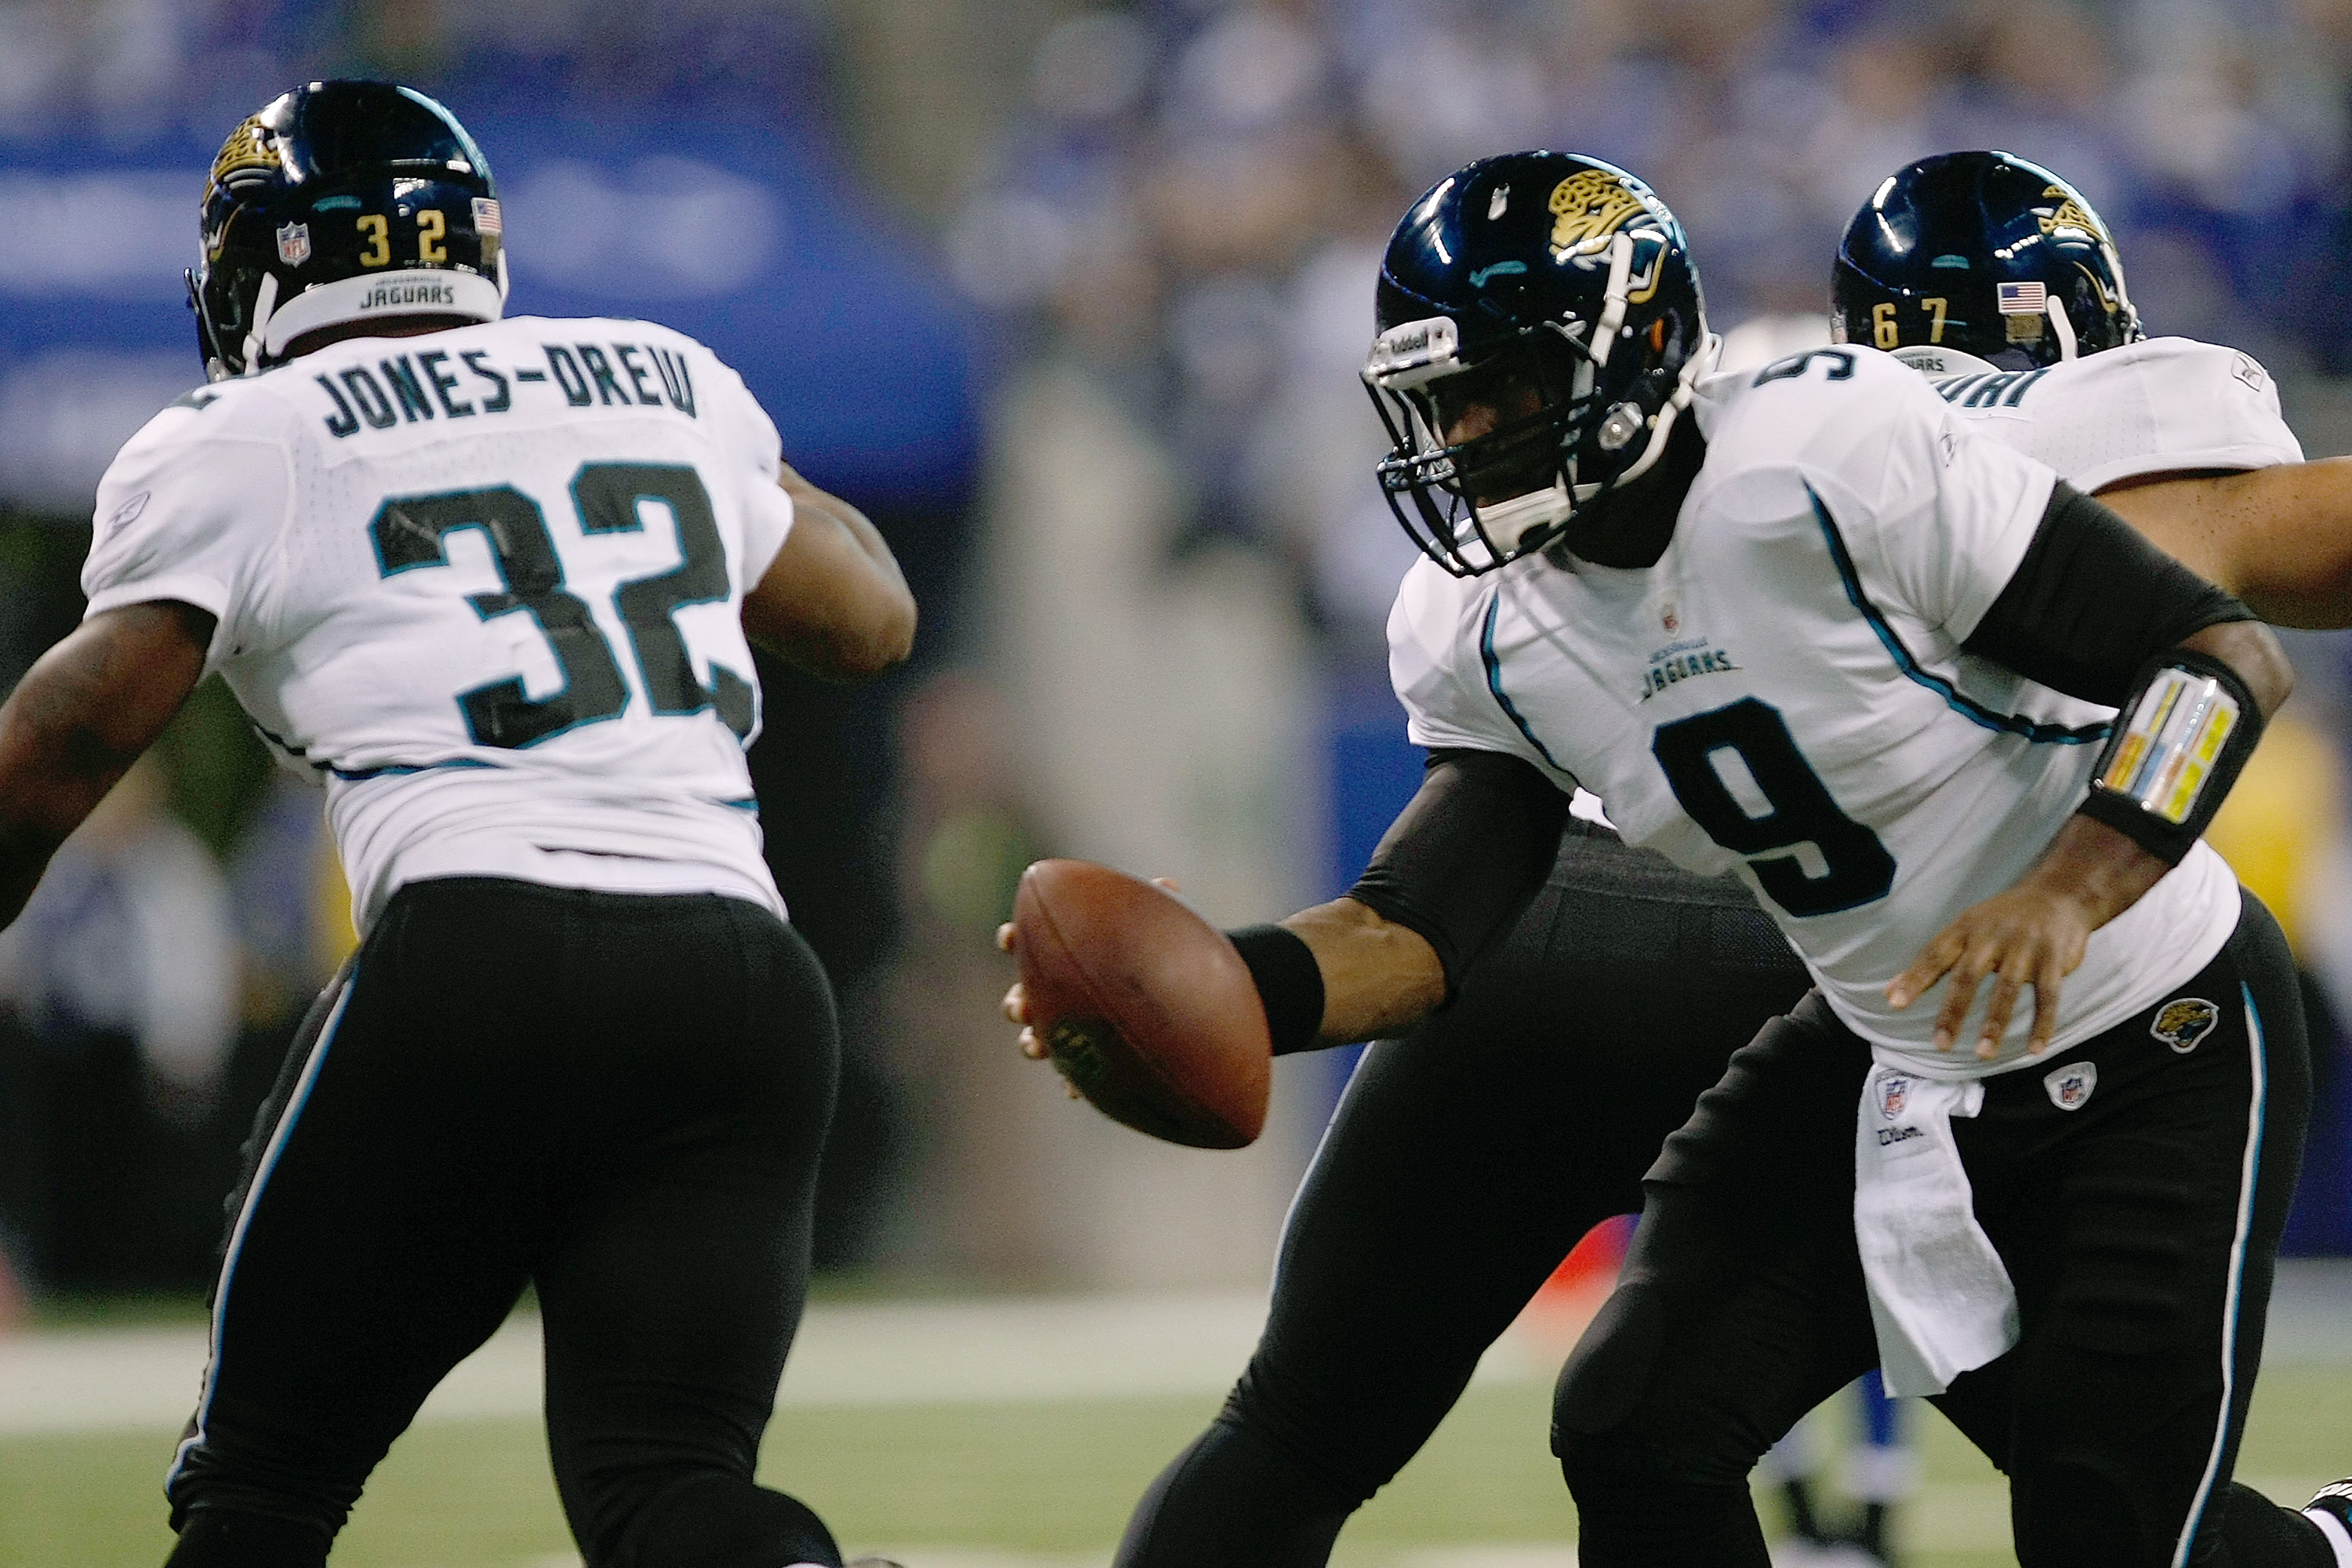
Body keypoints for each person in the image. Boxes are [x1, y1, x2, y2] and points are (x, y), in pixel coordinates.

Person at [1003, 151, 2352, 1567]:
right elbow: (1418, 931)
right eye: (1438, 405)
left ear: (1634, 348)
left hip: (2152, 1031)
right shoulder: (1490, 624)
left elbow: (2220, 657)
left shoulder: (1828, 454)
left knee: (2118, 1543)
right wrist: (1209, 983)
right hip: (1889, 1047)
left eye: (1498, 391)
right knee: (1637, 1423)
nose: (1463, 437)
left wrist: (2064, 893)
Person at [0, 82, 916, 1568]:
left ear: (263, 273)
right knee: (672, 1490)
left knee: (259, 1493)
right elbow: (872, 616)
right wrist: (727, 478)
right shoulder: (660, 371)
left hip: (480, 950)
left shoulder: (250, 434)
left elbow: (59, 751)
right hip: (742, 977)